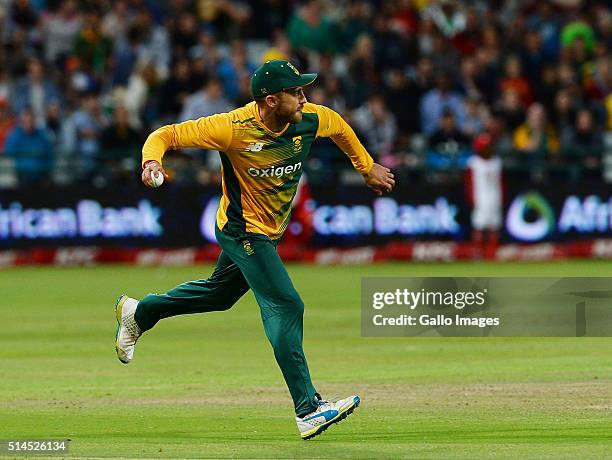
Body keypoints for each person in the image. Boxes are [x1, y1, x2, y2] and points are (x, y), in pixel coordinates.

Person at [114, 59, 395, 440]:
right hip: (241, 229)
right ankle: (308, 409)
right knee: (286, 304)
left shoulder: (309, 118)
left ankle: (140, 313)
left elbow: (340, 127)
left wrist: (366, 168)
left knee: (220, 294)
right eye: (295, 93)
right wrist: (151, 163)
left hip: (269, 230)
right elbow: (165, 134)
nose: (304, 99)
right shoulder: (231, 127)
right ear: (269, 100)